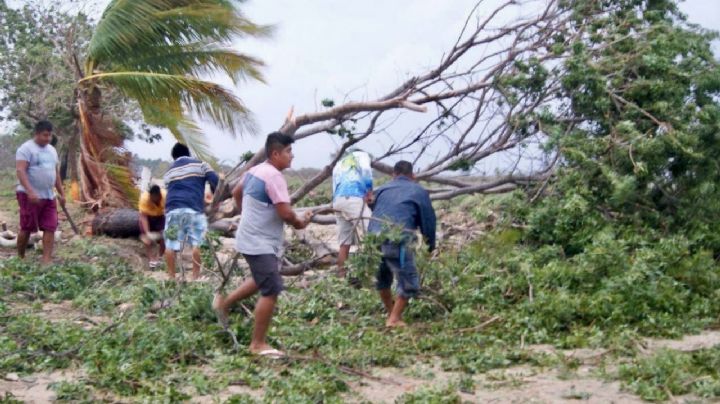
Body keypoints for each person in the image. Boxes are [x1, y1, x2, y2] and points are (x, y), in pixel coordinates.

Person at [213, 132, 312, 358]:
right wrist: (300, 222)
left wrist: (247, 212)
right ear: (276, 153)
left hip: (249, 237)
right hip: (259, 241)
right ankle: (257, 344)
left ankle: (224, 304)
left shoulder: (253, 171)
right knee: (272, 288)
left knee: (262, 278)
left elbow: (237, 192)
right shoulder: (274, 176)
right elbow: (286, 213)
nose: (292, 156)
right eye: (288, 151)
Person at [368, 161, 436, 328]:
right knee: (409, 280)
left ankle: (391, 312)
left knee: (382, 278)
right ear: (413, 175)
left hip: (373, 238)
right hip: (398, 239)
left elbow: (378, 210)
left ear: (394, 174)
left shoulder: (383, 188)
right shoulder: (418, 190)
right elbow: (428, 220)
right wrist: (430, 244)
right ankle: (394, 318)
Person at [163, 143, 219, 280]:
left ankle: (171, 277)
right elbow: (216, 180)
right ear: (188, 153)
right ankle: (195, 277)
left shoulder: (169, 172)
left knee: (170, 244)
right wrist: (214, 196)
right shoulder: (201, 164)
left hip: (172, 209)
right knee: (196, 242)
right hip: (193, 208)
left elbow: (169, 189)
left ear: (174, 157)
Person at [15, 120, 66, 265]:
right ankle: (20, 257)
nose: (48, 139)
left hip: (49, 195)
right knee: (27, 227)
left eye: (49, 135)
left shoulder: (52, 150)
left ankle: (46, 259)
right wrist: (30, 191)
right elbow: (20, 170)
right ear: (36, 133)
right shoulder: (25, 149)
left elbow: (55, 173)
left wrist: (62, 193)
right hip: (28, 195)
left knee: (50, 226)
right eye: (45, 135)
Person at [332, 150, 373, 278]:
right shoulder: (363, 155)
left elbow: (334, 185)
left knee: (344, 242)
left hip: (338, 200)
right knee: (373, 234)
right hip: (353, 197)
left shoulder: (339, 163)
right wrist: (369, 192)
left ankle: (341, 277)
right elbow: (366, 171)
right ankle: (372, 274)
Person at [138, 184, 167, 268]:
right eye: (152, 198)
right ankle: (151, 260)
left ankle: (159, 257)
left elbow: (169, 212)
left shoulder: (166, 196)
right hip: (148, 217)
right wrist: (147, 232)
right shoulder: (144, 198)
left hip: (160, 216)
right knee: (146, 239)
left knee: (164, 236)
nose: (153, 199)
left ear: (159, 196)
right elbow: (143, 217)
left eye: (156, 198)